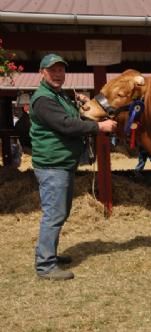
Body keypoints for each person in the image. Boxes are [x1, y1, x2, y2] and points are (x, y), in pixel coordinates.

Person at [30, 53, 117, 280]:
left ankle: (49, 254)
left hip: (61, 164)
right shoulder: (43, 100)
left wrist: (80, 104)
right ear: (42, 73)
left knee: (60, 211)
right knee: (54, 214)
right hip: (52, 165)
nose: (58, 74)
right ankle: (45, 265)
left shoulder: (59, 96)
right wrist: (100, 127)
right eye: (53, 71)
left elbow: (72, 115)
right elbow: (66, 125)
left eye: (61, 70)